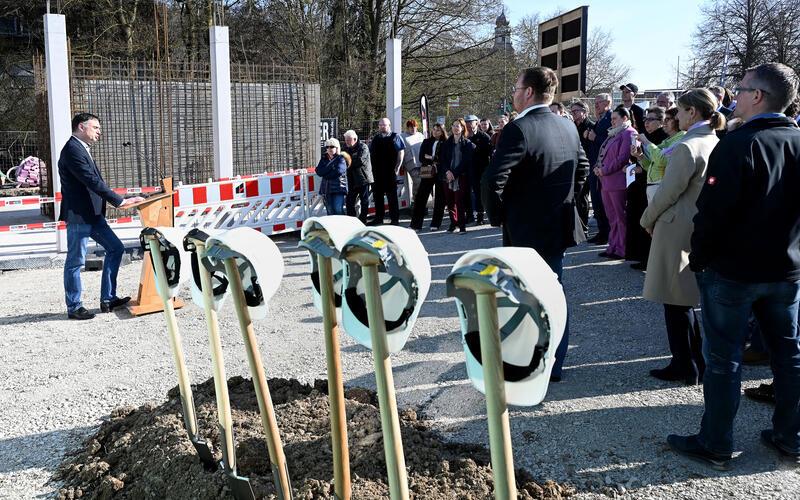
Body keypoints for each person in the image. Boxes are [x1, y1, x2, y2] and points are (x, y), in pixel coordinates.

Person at [668, 63, 800, 469]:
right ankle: (790, 437)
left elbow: (712, 214)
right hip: (786, 270)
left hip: (734, 272)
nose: (734, 96)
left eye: (741, 89)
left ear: (758, 96)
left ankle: (716, 443)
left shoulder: (738, 144)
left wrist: (701, 260)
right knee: (789, 354)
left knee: (724, 360)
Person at [483, 66, 589, 382]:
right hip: (558, 225)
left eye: (516, 88)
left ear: (529, 92)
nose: (513, 94)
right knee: (553, 294)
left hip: (527, 230)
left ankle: (530, 365)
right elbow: (581, 169)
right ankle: (554, 364)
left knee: (526, 297)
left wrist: (501, 216)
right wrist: (563, 201)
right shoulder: (568, 127)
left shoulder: (520, 128)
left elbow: (492, 180)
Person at [639, 89, 724, 386]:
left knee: (674, 301)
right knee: (682, 299)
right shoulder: (712, 141)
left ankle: (685, 364)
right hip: (695, 223)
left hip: (676, 225)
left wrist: (647, 218)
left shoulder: (688, 146)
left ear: (693, 112)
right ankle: (693, 360)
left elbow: (668, 191)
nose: (677, 116)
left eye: (681, 110)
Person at [60, 112, 144, 320]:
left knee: (116, 248)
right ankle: (74, 306)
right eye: (96, 127)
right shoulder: (72, 150)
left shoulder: (81, 149)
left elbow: (94, 183)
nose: (99, 132)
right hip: (79, 216)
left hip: (94, 215)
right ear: (81, 127)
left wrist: (120, 198)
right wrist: (120, 201)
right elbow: (91, 181)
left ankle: (108, 298)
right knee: (75, 262)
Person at [627, 107, 669, 270]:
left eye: (651, 119)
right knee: (641, 220)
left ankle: (652, 260)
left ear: (661, 122)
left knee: (652, 222)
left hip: (656, 185)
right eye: (646, 119)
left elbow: (659, 161)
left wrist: (645, 148)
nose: (647, 123)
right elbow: (647, 163)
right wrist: (638, 157)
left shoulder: (663, 138)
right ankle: (642, 256)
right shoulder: (646, 137)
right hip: (641, 184)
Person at [593, 106, 637, 260]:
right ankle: (612, 246)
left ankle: (622, 248)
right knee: (611, 217)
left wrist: (603, 170)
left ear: (625, 118)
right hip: (606, 181)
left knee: (620, 217)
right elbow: (603, 154)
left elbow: (622, 158)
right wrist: (597, 167)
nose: (611, 121)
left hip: (618, 181)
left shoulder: (629, 133)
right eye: (611, 118)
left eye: (614, 118)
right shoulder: (613, 133)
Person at [634, 107, 685, 204]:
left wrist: (646, 142)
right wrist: (639, 156)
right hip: (654, 185)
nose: (664, 122)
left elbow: (662, 161)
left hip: (662, 186)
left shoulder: (681, 137)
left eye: (667, 119)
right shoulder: (667, 140)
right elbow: (652, 166)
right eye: (664, 119)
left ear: (678, 119)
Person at [438, 118, 475, 233]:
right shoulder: (447, 143)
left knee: (459, 201)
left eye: (458, 126)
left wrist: (454, 173)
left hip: (461, 176)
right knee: (449, 202)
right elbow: (442, 160)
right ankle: (453, 223)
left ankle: (462, 225)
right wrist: (448, 172)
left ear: (463, 128)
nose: (455, 128)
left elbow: (466, 162)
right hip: (447, 176)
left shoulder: (467, 144)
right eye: (453, 126)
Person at [585, 93, 613, 244]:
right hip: (594, 163)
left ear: (608, 102)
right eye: (595, 103)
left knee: (603, 201)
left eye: (599, 102)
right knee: (596, 200)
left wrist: (595, 138)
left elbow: (612, 141)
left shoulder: (610, 118)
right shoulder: (600, 119)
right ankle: (602, 232)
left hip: (604, 166)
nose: (595, 105)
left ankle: (606, 233)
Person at [410, 123, 447, 231]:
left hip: (440, 172)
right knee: (421, 197)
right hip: (427, 172)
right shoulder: (426, 141)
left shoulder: (445, 142)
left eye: (438, 130)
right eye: (434, 129)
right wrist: (434, 159)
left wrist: (431, 157)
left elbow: (444, 158)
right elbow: (422, 157)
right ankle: (415, 224)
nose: (435, 132)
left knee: (440, 198)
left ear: (442, 131)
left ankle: (435, 223)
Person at [369, 118, 405, 225]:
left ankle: (394, 220)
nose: (382, 127)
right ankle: (379, 218)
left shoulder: (395, 137)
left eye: (384, 125)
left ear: (389, 125)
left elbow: (401, 152)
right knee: (377, 196)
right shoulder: (375, 138)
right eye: (380, 125)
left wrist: (398, 167)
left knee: (392, 197)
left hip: (390, 171)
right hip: (376, 172)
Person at [571, 101, 595, 229]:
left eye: (576, 111)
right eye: (572, 111)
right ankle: (577, 225)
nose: (573, 114)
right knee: (576, 197)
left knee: (583, 196)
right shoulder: (572, 126)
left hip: (586, 166)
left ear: (584, 112)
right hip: (573, 165)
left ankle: (583, 226)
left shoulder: (591, 126)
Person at [464, 114, 491, 225]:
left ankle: (480, 216)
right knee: (466, 193)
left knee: (478, 193)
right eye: (467, 122)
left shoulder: (484, 137)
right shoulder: (463, 137)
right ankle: (469, 215)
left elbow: (488, 154)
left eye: (472, 122)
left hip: (480, 170)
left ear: (477, 122)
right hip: (466, 169)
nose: (469, 125)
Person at [342, 130, 373, 223]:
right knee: (349, 201)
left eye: (348, 140)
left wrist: (348, 162)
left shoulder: (363, 147)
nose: (347, 142)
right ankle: (352, 220)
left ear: (355, 139)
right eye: (346, 140)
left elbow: (360, 161)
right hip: (351, 178)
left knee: (364, 201)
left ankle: (363, 220)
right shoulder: (346, 148)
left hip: (363, 178)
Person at [316, 138, 348, 215]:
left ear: (337, 147)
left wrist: (325, 172)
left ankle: (343, 226)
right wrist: (330, 167)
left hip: (338, 188)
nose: (329, 149)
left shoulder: (341, 158)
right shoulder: (323, 158)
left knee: (338, 209)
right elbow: (319, 171)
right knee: (329, 210)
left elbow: (338, 171)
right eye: (327, 147)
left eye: (332, 146)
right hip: (326, 189)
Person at [401, 119, 425, 201]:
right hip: (411, 163)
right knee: (418, 182)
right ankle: (416, 202)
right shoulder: (402, 136)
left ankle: (422, 204)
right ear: (407, 128)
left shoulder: (420, 135)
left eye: (414, 126)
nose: (413, 128)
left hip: (422, 163)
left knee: (423, 183)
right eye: (411, 127)